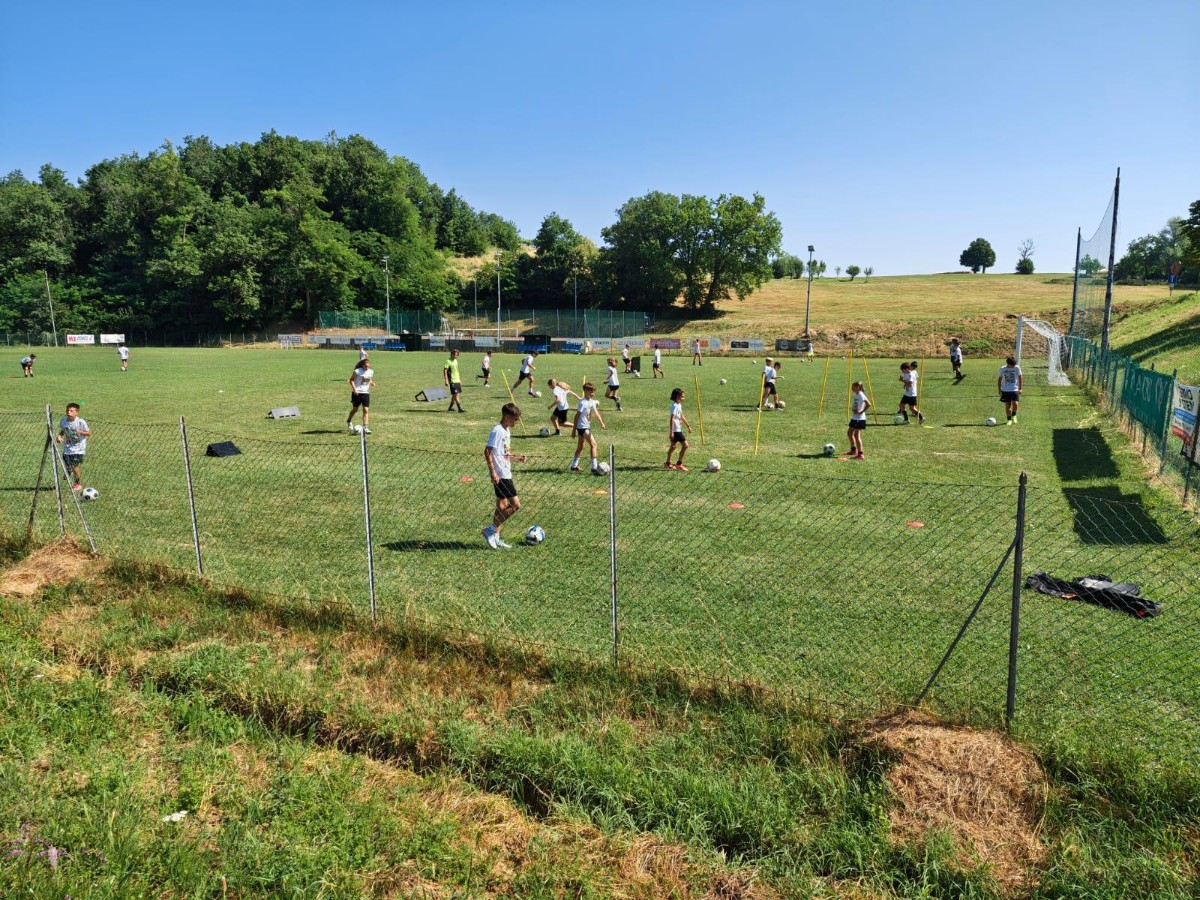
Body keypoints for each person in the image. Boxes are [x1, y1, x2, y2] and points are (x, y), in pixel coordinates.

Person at [482, 402, 526, 550]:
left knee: (501, 506)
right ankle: (491, 529)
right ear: (507, 417)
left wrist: (517, 458)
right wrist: (493, 472)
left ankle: (496, 537)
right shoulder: (497, 431)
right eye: (515, 419)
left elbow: (504, 454)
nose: (517, 422)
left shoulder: (507, 431)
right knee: (515, 505)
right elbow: (487, 451)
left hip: (506, 472)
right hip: (501, 475)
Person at [570, 383, 606, 473]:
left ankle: (574, 466)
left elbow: (596, 413)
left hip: (586, 426)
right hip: (582, 427)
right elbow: (576, 416)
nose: (593, 393)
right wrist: (573, 430)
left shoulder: (591, 402)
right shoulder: (582, 403)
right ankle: (594, 468)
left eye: (594, 392)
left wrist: (601, 422)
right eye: (591, 392)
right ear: (585, 391)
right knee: (594, 445)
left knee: (580, 447)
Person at [56, 402, 91, 491]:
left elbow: (89, 433)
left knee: (75, 466)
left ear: (76, 412)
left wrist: (81, 432)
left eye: (71, 411)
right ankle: (68, 470)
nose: (69, 412)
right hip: (67, 447)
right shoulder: (63, 421)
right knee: (67, 465)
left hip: (79, 448)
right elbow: (63, 430)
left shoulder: (80, 422)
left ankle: (77, 484)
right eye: (67, 410)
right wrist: (59, 436)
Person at [664, 388, 694, 470]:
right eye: (682, 396)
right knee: (685, 446)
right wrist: (672, 432)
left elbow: (681, 416)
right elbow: (672, 418)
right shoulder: (674, 406)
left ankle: (667, 464)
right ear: (678, 396)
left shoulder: (679, 405)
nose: (684, 398)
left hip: (677, 430)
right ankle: (679, 464)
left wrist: (688, 426)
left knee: (673, 447)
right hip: (676, 431)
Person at [346, 357, 375, 433]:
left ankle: (365, 427)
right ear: (362, 365)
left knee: (366, 410)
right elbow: (351, 380)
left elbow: (369, 378)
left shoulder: (371, 371)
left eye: (368, 366)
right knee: (355, 409)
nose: (367, 367)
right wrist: (355, 389)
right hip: (357, 393)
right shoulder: (357, 371)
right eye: (366, 366)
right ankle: (349, 421)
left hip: (366, 393)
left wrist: (372, 383)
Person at [848, 381, 870, 460]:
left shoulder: (861, 395)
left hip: (860, 419)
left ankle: (860, 455)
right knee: (849, 433)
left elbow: (868, 404)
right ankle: (853, 450)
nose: (851, 388)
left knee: (857, 436)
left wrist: (861, 411)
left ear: (857, 387)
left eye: (853, 387)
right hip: (855, 417)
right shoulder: (857, 395)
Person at [998, 355, 1023, 424]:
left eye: (1013, 365)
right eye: (1011, 365)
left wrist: (1020, 388)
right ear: (1007, 363)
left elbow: (1020, 377)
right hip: (1005, 390)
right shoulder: (1002, 369)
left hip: (1014, 389)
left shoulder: (1017, 368)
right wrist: (999, 390)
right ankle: (1009, 420)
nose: (1013, 366)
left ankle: (1014, 415)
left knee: (1015, 403)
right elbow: (999, 379)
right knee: (1008, 406)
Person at [443, 349, 465, 413]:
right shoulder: (448, 361)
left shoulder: (456, 361)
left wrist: (459, 379)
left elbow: (456, 371)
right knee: (456, 394)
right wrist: (446, 380)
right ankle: (459, 408)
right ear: (452, 354)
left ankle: (450, 407)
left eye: (457, 355)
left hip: (457, 380)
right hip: (452, 380)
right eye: (454, 354)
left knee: (455, 395)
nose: (455, 356)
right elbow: (445, 370)